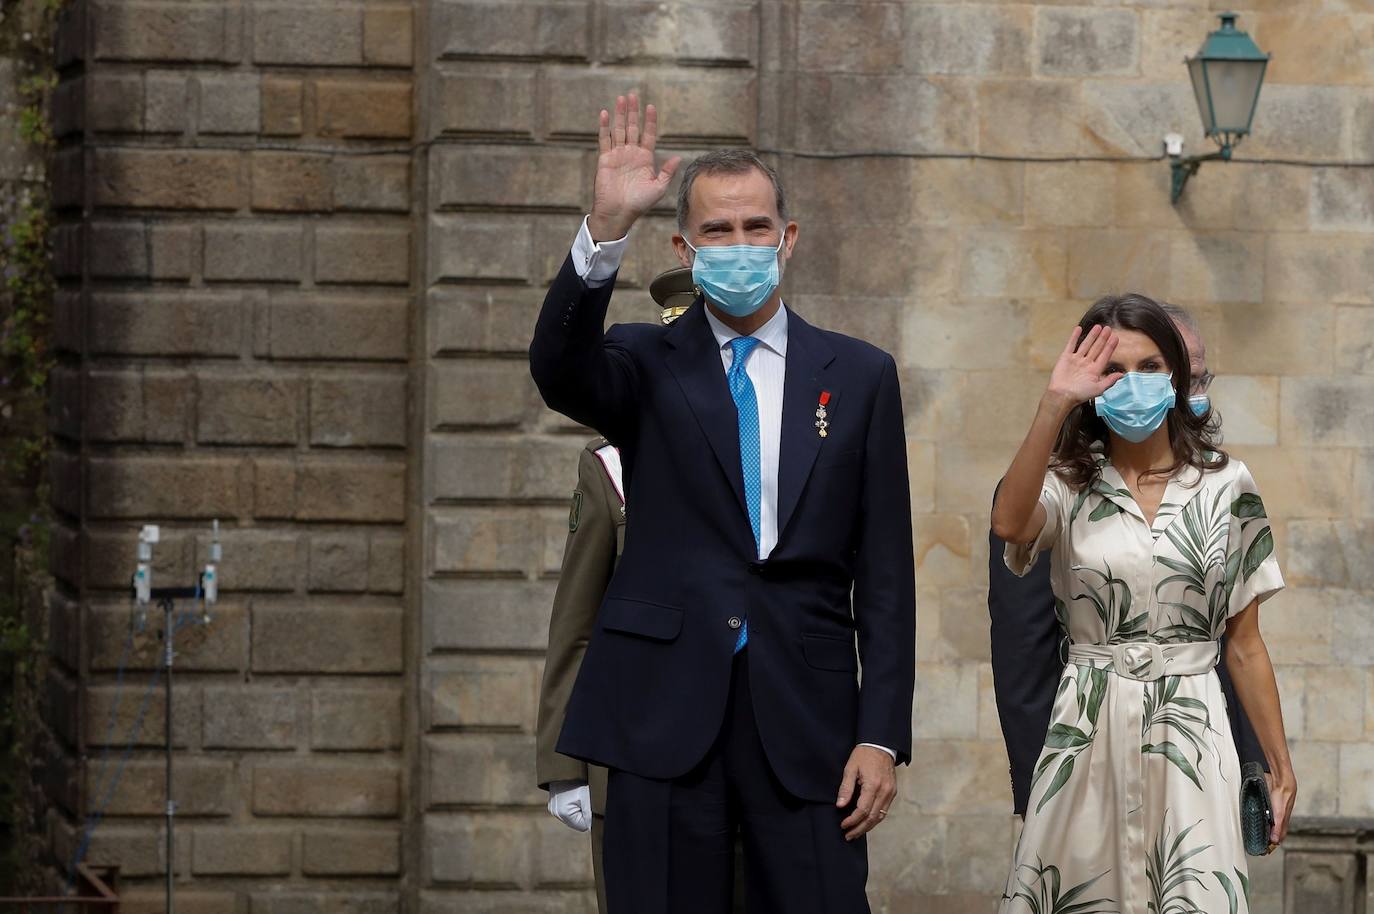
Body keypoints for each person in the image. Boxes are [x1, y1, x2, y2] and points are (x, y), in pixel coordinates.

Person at [529, 94, 916, 914]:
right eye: (716, 231)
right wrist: (603, 229)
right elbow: (558, 367)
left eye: (755, 228)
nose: (739, 246)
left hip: (807, 726)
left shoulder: (860, 375)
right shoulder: (641, 361)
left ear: (788, 239)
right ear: (684, 246)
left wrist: (880, 735)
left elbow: (884, 576)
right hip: (662, 718)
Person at [990, 294, 1296, 914]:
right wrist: (1055, 401)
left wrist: (1277, 762)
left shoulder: (1227, 482)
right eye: (1116, 370)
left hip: (1194, 726)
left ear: (1178, 376)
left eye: (1151, 366)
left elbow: (1244, 642)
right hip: (1087, 724)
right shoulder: (1066, 484)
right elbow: (1010, 523)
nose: (1134, 384)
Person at [536, 267, 747, 914]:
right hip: (638, 742)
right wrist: (563, 763)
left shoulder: (773, 453)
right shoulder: (611, 465)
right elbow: (578, 616)